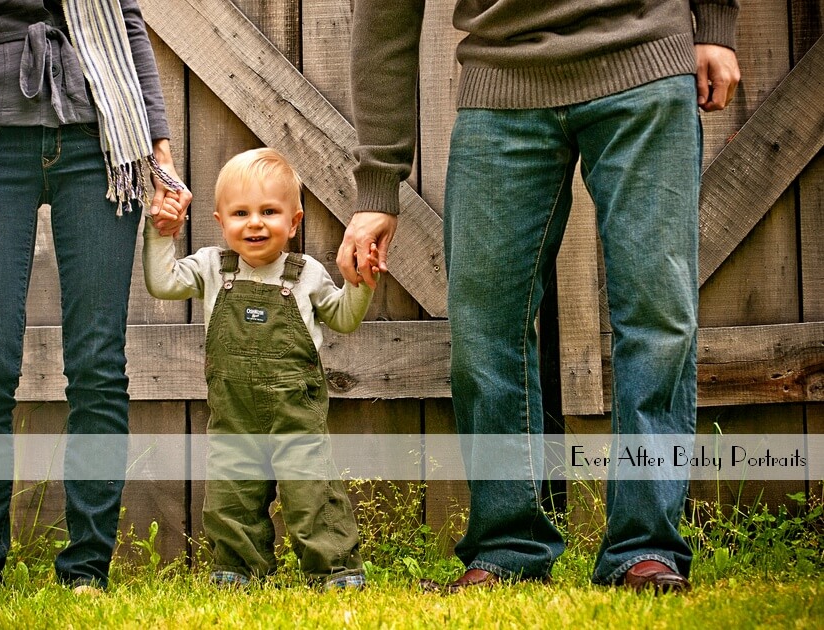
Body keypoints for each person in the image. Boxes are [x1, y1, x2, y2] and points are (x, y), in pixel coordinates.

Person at [338, 1, 741, 593]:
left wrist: (716, 23)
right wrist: (378, 181)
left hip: (644, 58)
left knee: (659, 319)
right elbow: (385, 13)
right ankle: (507, 548)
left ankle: (645, 549)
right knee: (486, 328)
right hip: (502, 76)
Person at [0, 0, 192, 605]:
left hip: (100, 139)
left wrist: (161, 155)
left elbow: (127, 21)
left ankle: (87, 574)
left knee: (99, 365)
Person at [144, 147, 375, 589]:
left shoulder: (306, 274)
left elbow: (344, 317)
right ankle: (238, 570)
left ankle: (335, 572)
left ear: (294, 221)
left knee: (312, 496)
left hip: (296, 417)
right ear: (219, 220)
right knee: (231, 497)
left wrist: (360, 282)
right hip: (234, 416)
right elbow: (162, 282)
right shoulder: (212, 267)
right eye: (241, 212)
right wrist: (160, 235)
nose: (254, 222)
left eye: (269, 211)